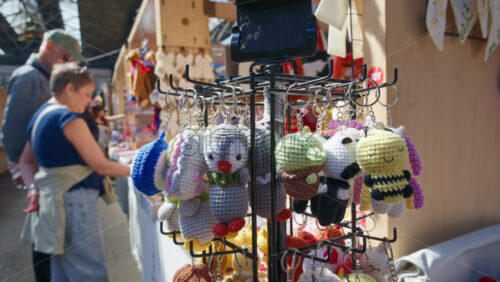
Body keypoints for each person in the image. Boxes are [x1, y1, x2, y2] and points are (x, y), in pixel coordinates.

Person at [18, 63, 130, 282]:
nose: (89, 101)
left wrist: (33, 188)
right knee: (89, 270)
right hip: (75, 202)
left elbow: (24, 162)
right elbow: (101, 165)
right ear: (69, 88)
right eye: (87, 94)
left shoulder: (40, 115)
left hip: (52, 201)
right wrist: (139, 170)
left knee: (63, 270)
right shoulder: (69, 118)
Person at [1, 29, 86, 282]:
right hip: (41, 174)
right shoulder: (30, 78)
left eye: (73, 60)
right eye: (65, 56)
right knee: (46, 243)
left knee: (53, 239)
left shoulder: (45, 79)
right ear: (48, 46)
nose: (69, 63)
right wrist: (24, 170)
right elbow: (15, 133)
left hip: (47, 172)